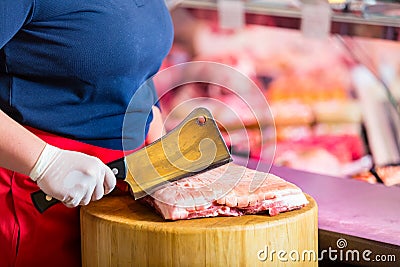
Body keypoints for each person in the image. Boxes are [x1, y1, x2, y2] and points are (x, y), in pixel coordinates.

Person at [0, 1, 173, 266]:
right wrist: (45, 163)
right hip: (38, 195)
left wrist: (155, 127)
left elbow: (136, 63)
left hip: (125, 195)